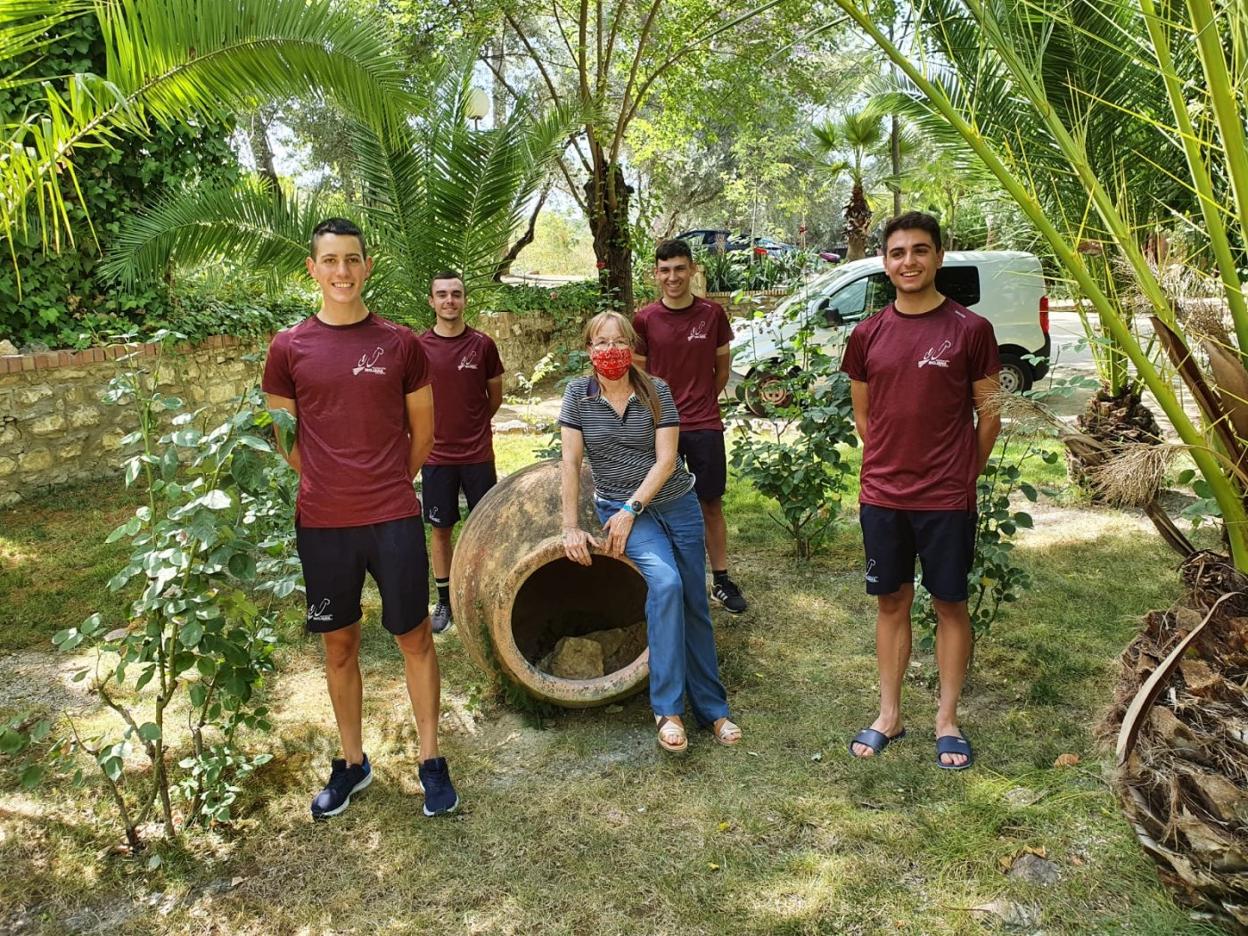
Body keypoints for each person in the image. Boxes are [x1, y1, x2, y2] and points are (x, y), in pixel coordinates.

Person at [262, 217, 459, 818]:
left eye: (352, 259)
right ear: (312, 269)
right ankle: (352, 763)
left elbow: (423, 432)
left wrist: (388, 481)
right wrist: (326, 479)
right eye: (330, 261)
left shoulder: (400, 344)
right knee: (339, 646)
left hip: (394, 517)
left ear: (366, 266)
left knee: (415, 637)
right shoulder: (287, 348)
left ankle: (431, 761)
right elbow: (282, 437)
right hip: (323, 524)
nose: (342, 271)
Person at [841, 211, 1001, 770]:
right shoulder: (867, 334)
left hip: (946, 499)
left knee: (950, 603)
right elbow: (865, 417)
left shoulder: (970, 330)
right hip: (883, 494)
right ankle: (890, 714)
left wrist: (963, 475)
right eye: (898, 252)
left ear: (938, 256)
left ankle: (947, 719)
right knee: (891, 601)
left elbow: (990, 415)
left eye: (920, 250)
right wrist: (891, 465)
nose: (908, 261)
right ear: (885, 263)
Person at [560, 311, 742, 753]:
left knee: (695, 603)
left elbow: (666, 461)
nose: (610, 350)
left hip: (675, 504)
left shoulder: (656, 391)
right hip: (626, 513)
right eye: (600, 343)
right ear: (589, 350)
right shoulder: (576, 395)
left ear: (632, 347)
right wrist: (570, 525)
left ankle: (713, 709)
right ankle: (668, 709)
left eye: (618, 341)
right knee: (665, 584)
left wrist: (630, 507)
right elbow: (569, 463)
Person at [633, 239, 748, 614]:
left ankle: (722, 580)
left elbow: (722, 372)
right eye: (665, 270)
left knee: (710, 502)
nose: (673, 277)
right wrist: (662, 413)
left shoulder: (712, 314)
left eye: (680, 268)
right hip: (659, 427)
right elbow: (639, 376)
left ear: (693, 270)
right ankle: (666, 579)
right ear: (656, 274)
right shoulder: (645, 319)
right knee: (655, 502)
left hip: (703, 425)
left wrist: (699, 404)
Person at [416, 271, 505, 634]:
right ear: (432, 302)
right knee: (441, 529)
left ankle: (485, 595)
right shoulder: (419, 348)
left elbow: (494, 395)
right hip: (436, 458)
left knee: (485, 528)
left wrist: (472, 426)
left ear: (465, 300)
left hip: (478, 455)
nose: (449, 300)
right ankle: (445, 601)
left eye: (456, 294)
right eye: (442, 295)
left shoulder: (482, 345)